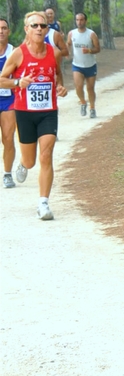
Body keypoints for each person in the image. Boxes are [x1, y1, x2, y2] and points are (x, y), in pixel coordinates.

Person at [0, 11, 68, 220]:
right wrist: (17, 83)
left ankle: (43, 203)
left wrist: (61, 87)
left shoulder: (54, 53)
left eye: (43, 26)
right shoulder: (19, 54)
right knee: (30, 162)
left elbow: (57, 75)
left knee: (46, 155)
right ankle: (22, 163)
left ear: (47, 29)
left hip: (48, 112)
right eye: (35, 26)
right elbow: (2, 79)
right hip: (24, 112)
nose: (39, 29)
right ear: (26, 29)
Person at [67, 12, 100, 117]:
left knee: (90, 88)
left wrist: (90, 50)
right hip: (77, 65)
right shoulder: (72, 33)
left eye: (81, 20)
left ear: (85, 21)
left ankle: (92, 108)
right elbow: (68, 43)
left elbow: (98, 48)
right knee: (78, 86)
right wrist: (67, 52)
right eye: (77, 20)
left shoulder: (91, 34)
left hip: (90, 65)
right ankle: (83, 102)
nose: (79, 22)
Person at [0, 18, 17, 188]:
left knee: (8, 138)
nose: (1, 31)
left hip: (9, 99)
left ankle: (7, 173)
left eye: (4, 28)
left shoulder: (14, 52)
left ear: (8, 31)